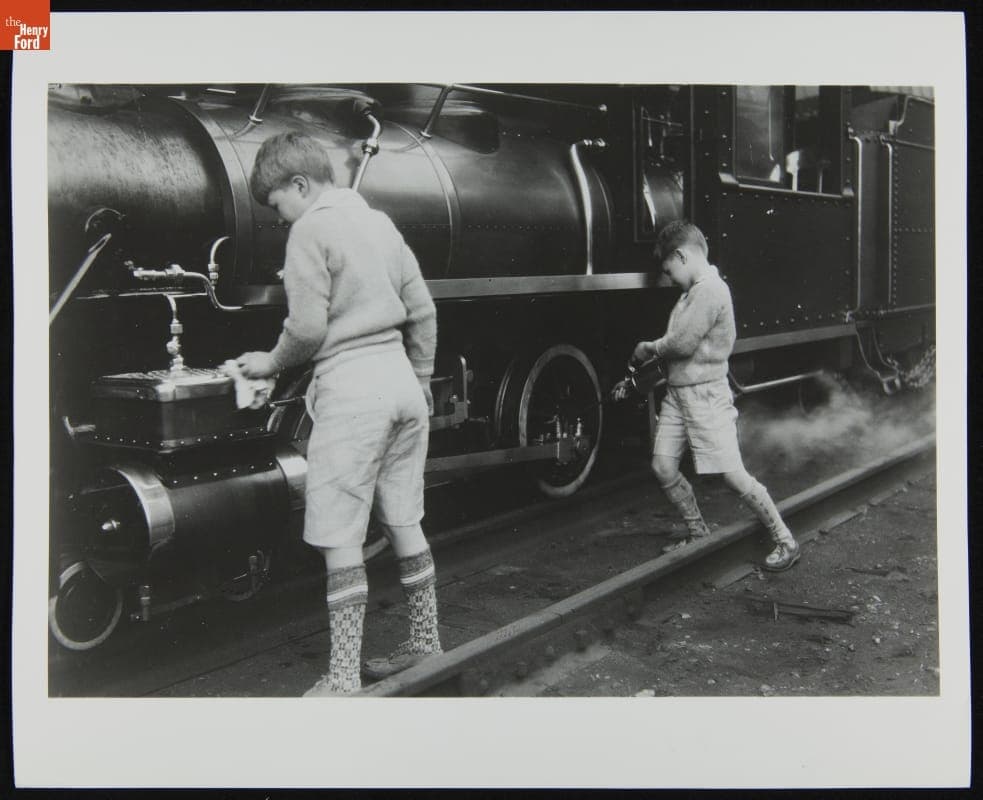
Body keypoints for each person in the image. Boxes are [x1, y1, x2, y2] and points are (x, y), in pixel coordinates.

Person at [236, 132, 441, 695]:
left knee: (339, 536)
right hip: (401, 383)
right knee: (404, 520)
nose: (279, 218)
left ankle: (344, 678)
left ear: (300, 185)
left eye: (277, 204)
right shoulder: (381, 223)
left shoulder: (310, 230)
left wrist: (269, 362)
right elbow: (424, 312)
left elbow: (306, 329)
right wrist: (422, 379)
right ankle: (426, 643)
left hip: (352, 392)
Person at [618, 220, 800, 571]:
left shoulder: (711, 290)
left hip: (706, 397)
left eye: (669, 270)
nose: (669, 279)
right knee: (663, 465)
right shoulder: (692, 293)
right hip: (679, 395)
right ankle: (698, 531)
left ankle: (785, 539)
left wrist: (648, 348)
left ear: (681, 256)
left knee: (732, 474)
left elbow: (682, 343)